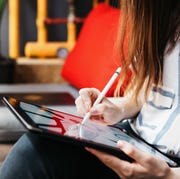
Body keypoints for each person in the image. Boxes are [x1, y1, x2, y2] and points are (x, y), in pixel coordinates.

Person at [0, 0, 179, 178]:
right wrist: (118, 108)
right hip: (134, 141)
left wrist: (168, 175)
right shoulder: (161, 20)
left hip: (167, 166)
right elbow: (143, 92)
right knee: (35, 148)